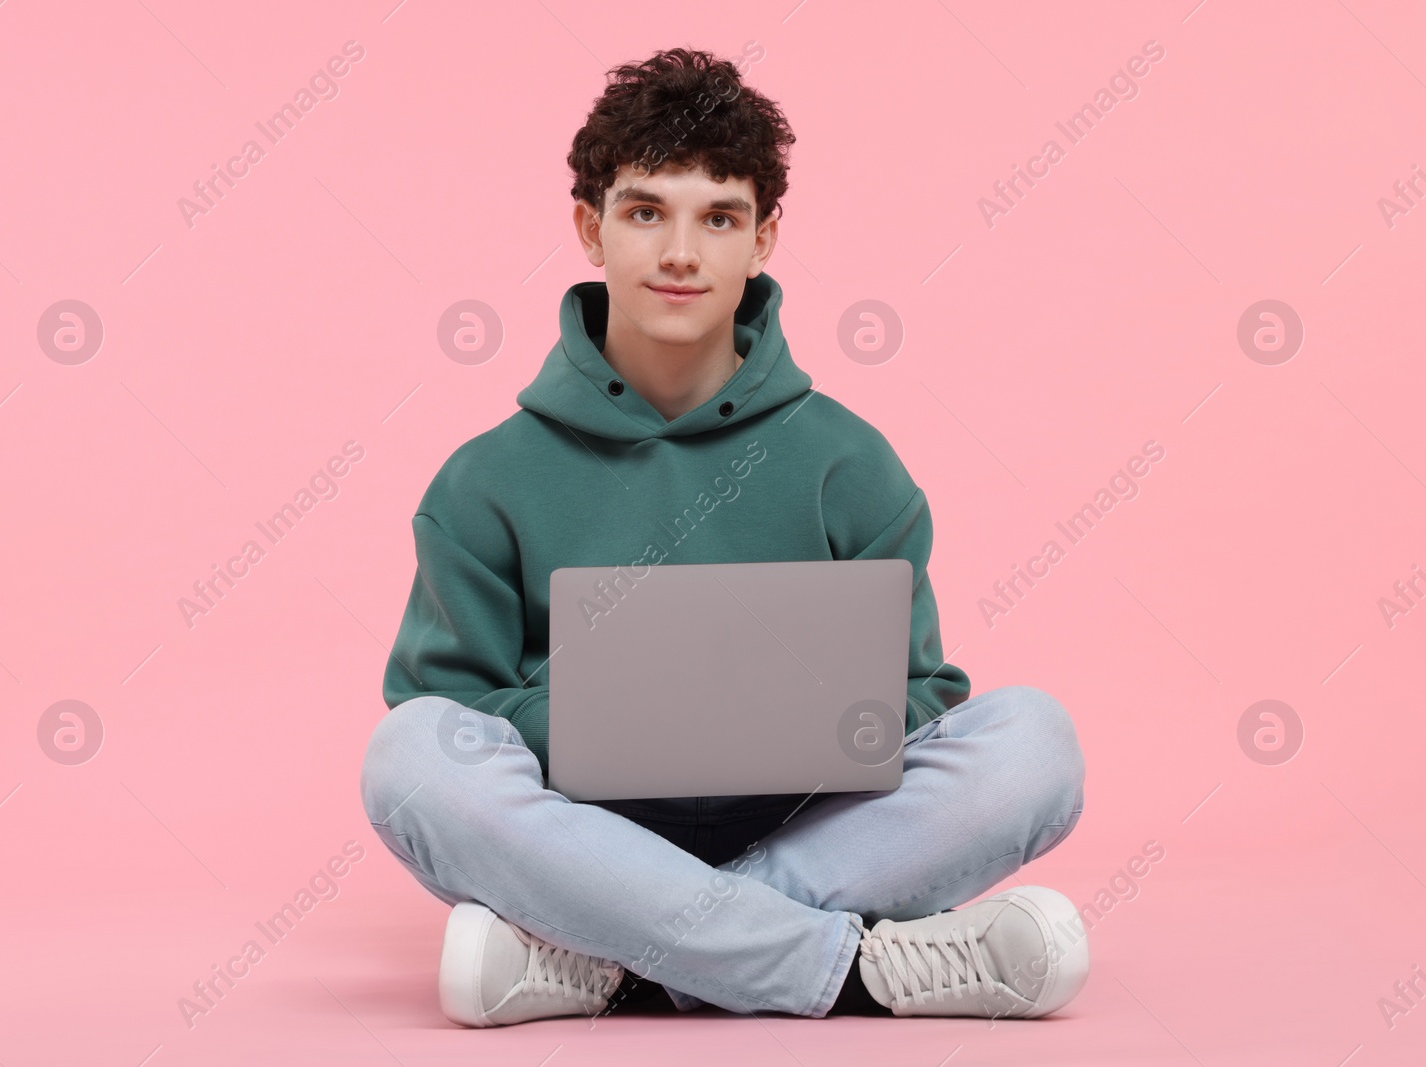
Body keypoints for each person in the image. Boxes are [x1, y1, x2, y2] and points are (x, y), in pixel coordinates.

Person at [359, 46, 1088, 1027]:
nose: (678, 254)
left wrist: (794, 725)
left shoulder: (850, 462)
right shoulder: (483, 480)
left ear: (763, 239)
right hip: (581, 835)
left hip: (807, 822)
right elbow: (446, 710)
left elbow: (922, 698)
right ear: (590, 227)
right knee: (406, 760)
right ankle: (856, 971)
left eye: (718, 217)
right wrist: (611, 719)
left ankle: (611, 964)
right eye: (645, 211)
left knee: (1033, 740)